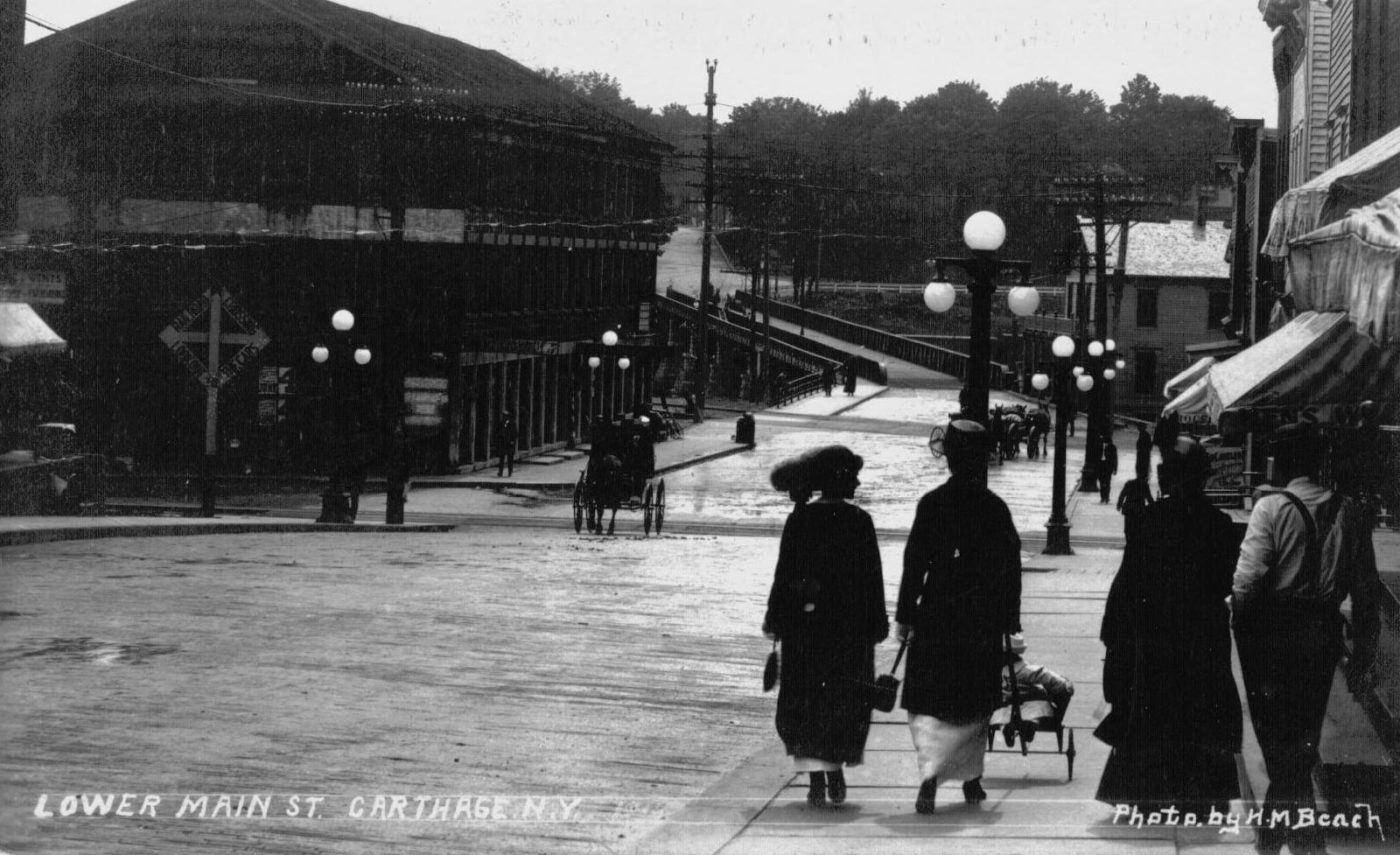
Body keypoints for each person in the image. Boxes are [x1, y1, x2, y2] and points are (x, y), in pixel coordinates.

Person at [1232, 424, 1381, 855]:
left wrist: (1242, 627)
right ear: (1321, 462)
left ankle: (1282, 842)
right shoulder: (1350, 512)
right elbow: (1366, 592)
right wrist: (1363, 656)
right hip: (1321, 637)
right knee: (1302, 738)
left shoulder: (1271, 508)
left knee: (1278, 744)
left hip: (1273, 637)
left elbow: (1247, 582)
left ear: (1286, 462)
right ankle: (1299, 842)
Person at [1095, 437, 1243, 817]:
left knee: (1152, 712)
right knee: (1201, 714)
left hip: (1156, 636)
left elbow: (1129, 582)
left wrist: (1115, 635)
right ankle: (1199, 794)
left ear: (1166, 476)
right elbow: (1226, 582)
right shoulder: (1221, 525)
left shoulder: (1147, 521)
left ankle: (1147, 792)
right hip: (1202, 637)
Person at [896, 420, 1022, 814]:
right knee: (973, 703)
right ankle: (972, 779)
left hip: (937, 610)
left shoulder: (932, 503)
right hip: (980, 615)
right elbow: (1010, 567)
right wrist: (1008, 617)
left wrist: (905, 613)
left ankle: (930, 778)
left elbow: (914, 562)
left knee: (933, 703)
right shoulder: (994, 508)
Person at [762, 445, 888, 808]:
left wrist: (775, 617)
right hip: (850, 632)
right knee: (844, 700)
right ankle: (834, 771)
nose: (857, 481)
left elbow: (784, 574)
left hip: (806, 630)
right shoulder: (859, 521)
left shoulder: (800, 519)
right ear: (839, 478)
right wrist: (877, 622)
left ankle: (817, 778)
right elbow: (873, 579)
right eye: (852, 475)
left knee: (808, 700)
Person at [1115, 458, 1155, 538]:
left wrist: (1119, 505)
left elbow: (1122, 494)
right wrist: (1153, 508)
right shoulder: (1144, 485)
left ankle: (1129, 540)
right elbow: (1149, 498)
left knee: (1128, 527)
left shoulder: (1129, 483)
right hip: (1139, 509)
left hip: (1129, 508)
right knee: (1137, 527)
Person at [495, 410, 518, 477]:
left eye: (505, 416)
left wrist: (512, 441)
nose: (503, 417)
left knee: (510, 459)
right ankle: (500, 472)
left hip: (509, 444)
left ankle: (510, 472)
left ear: (507, 416)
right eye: (503, 416)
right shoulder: (501, 423)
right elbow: (499, 432)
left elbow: (515, 433)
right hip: (502, 444)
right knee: (501, 458)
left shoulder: (512, 423)